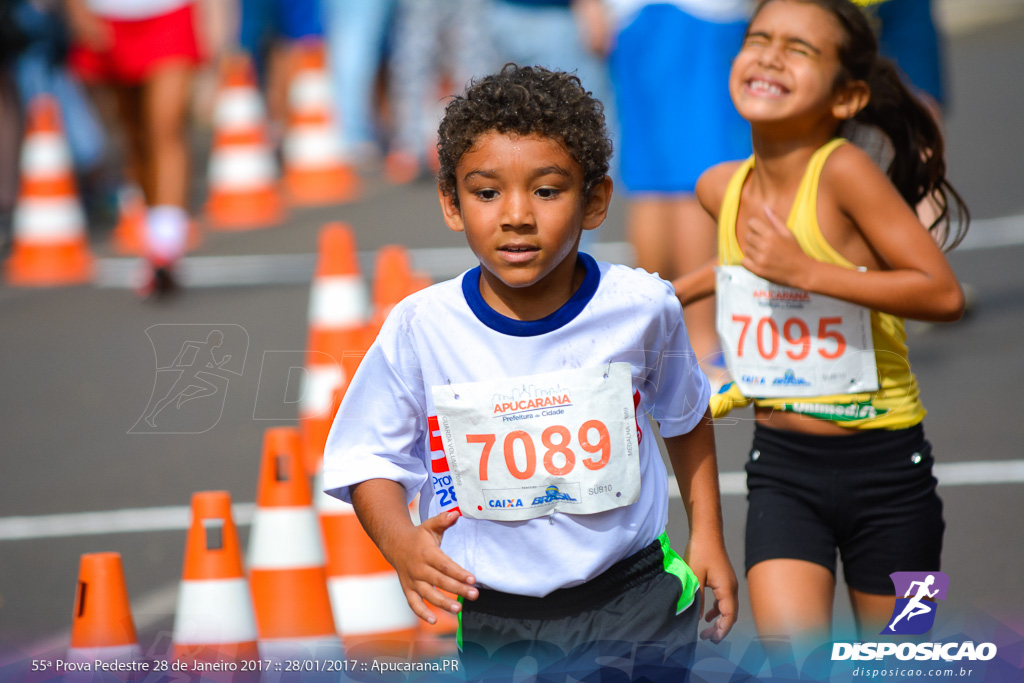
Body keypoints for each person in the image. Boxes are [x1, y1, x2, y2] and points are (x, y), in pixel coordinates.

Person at [322, 64, 737, 677]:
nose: (516, 215)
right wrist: (400, 543)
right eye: (487, 192)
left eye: (547, 190)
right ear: (451, 203)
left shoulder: (643, 308)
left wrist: (708, 535)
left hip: (635, 595)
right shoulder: (421, 325)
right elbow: (367, 458)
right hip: (496, 615)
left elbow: (684, 414)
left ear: (594, 200)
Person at [674, 0, 969, 650]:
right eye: (759, 38)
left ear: (847, 96)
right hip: (782, 469)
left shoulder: (845, 172)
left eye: (801, 49)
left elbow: (942, 293)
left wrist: (805, 269)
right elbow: (746, 274)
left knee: (900, 665)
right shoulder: (720, 188)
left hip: (891, 469)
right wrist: (671, 295)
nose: (772, 54)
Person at [586, 0, 754, 386]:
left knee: (655, 178)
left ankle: (658, 345)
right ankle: (700, 345)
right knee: (693, 176)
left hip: (631, 16)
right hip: (703, 14)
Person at [65, 0, 203, 296]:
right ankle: (154, 237)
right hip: (109, 15)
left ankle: (166, 247)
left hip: (170, 12)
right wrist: (75, 8)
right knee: (136, 135)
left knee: (166, 125)